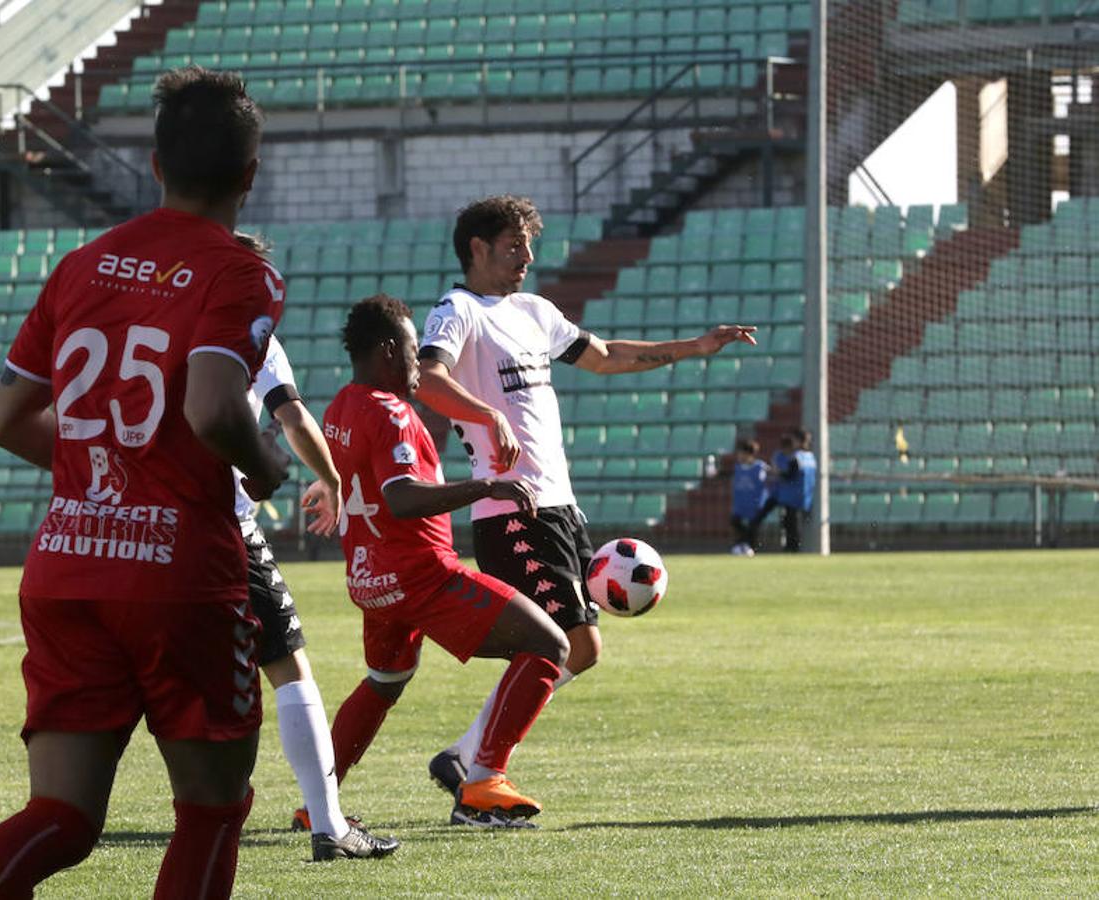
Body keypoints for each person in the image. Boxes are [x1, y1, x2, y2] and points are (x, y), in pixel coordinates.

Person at [0, 66, 290, 899]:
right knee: (211, 809)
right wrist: (267, 465)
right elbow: (211, 410)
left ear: (157, 165)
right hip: (177, 579)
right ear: (249, 174)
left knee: (60, 815)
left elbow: (4, 422)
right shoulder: (240, 272)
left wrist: (101, 475)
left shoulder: (82, 264)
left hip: (66, 567)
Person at [415, 195, 756, 794]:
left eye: (529, 245)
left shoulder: (534, 312)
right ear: (477, 248)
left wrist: (694, 347)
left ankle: (465, 755)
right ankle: (483, 774)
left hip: (561, 508)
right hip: (511, 509)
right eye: (514, 245)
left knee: (576, 649)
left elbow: (602, 357)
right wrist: (486, 417)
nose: (527, 256)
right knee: (569, 642)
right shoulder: (458, 310)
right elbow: (429, 379)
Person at [321, 294, 569, 828]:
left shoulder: (340, 404)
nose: (422, 363)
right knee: (549, 644)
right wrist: (487, 484)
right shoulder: (391, 412)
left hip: (372, 576)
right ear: (390, 350)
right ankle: (482, 784)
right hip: (423, 576)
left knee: (384, 681)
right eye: (415, 350)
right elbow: (403, 497)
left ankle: (318, 803)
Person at [228, 240, 399, 860]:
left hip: (133, 532)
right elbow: (293, 418)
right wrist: (332, 480)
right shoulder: (249, 336)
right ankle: (329, 825)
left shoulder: (146, 325)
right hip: (221, 527)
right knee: (288, 668)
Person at [751, 428, 816, 552]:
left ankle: (791, 549)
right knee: (790, 523)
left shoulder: (796, 457)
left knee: (790, 524)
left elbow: (789, 475)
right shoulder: (810, 457)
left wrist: (776, 472)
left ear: (797, 441)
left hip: (790, 495)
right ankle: (791, 548)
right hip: (801, 495)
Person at [729, 438, 768, 557]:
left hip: (755, 504)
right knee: (735, 522)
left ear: (748, 454)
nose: (738, 456)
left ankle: (751, 548)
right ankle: (742, 545)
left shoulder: (760, 468)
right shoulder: (738, 468)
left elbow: (767, 481)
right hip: (741, 504)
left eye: (740, 453)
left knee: (753, 526)